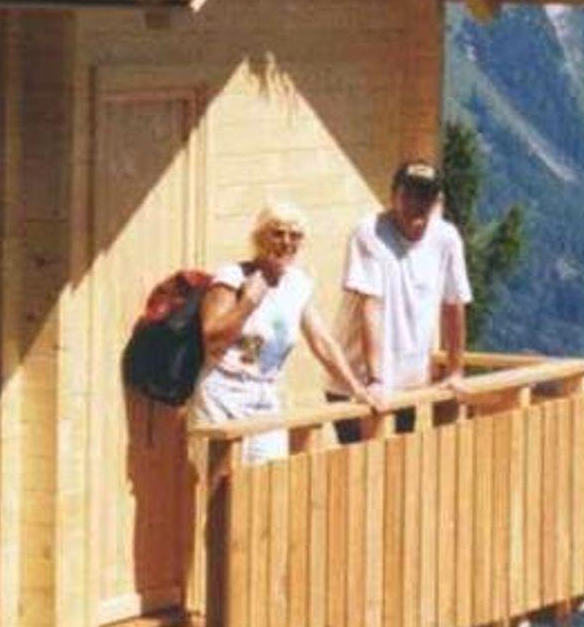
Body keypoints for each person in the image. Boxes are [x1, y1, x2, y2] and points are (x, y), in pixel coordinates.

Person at [192, 199, 377, 464]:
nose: (286, 242)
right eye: (277, 233)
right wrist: (248, 302)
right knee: (223, 482)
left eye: (295, 235)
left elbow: (322, 342)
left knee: (269, 478)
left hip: (265, 394)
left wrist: (356, 388)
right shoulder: (233, 276)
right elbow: (213, 340)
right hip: (223, 392)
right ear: (259, 237)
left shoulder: (297, 284)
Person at [325, 161, 472, 441]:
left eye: (425, 196)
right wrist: (376, 380)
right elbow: (371, 307)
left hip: (408, 383)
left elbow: (454, 304)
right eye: (409, 195)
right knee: (364, 463)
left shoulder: (446, 238)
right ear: (393, 195)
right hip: (357, 382)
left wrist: (455, 371)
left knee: (400, 462)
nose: (416, 204)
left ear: (436, 202)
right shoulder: (369, 232)